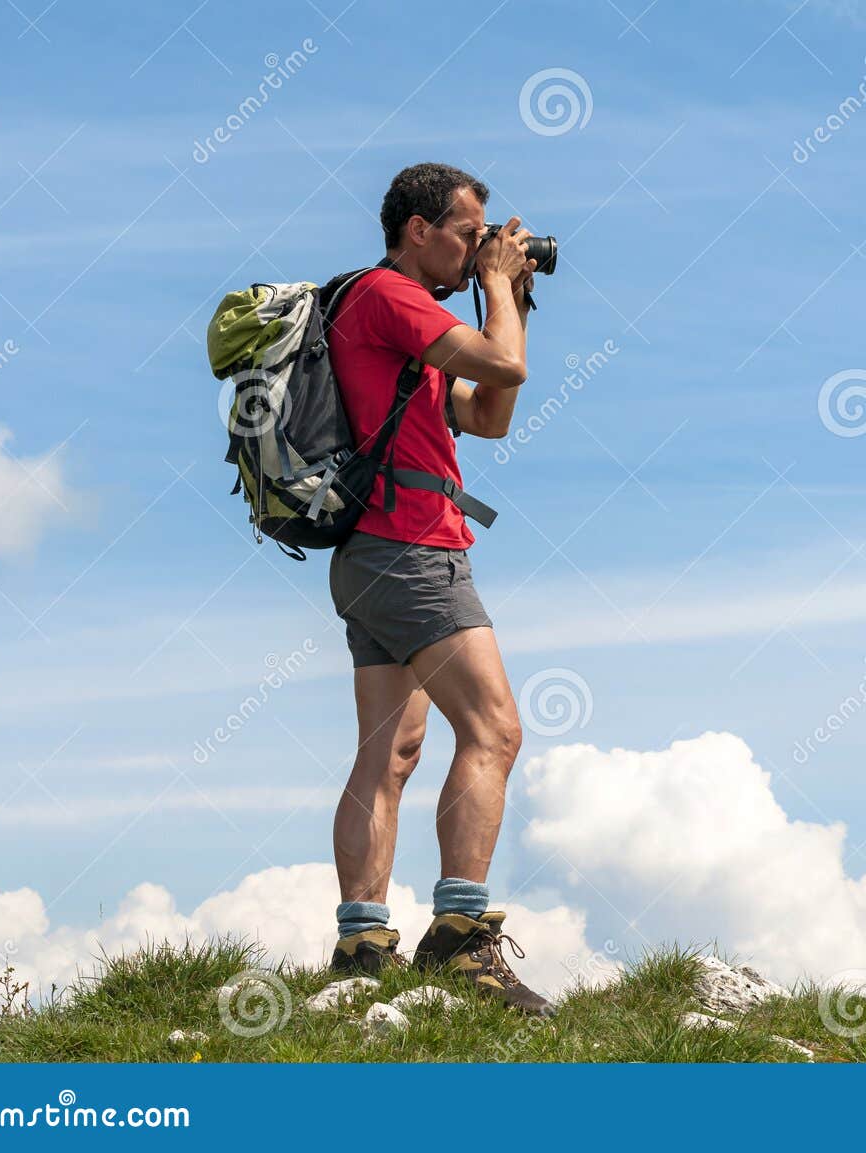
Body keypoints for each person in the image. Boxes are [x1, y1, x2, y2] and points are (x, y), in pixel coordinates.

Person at [322, 162, 551, 1016]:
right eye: (465, 232)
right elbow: (505, 366)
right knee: (494, 728)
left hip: (370, 555)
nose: (472, 249)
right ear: (417, 230)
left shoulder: (391, 324)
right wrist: (497, 289)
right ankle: (461, 939)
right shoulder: (391, 296)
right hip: (413, 549)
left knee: (391, 753)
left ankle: (361, 943)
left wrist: (513, 298)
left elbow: (488, 413)